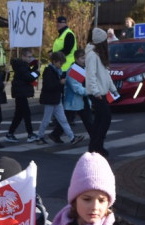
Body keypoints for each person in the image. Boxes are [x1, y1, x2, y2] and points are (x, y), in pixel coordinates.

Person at [36, 51, 81, 145]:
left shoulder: (56, 71)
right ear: (54, 61)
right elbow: (48, 86)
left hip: (56, 98)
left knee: (63, 119)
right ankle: (40, 136)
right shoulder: (49, 71)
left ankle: (72, 137)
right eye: (60, 63)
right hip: (50, 99)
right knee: (47, 119)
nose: (61, 65)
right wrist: (59, 83)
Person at [85, 29, 118, 157]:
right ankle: (96, 146)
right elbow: (91, 75)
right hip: (97, 93)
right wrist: (95, 91)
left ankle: (95, 147)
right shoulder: (92, 55)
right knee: (105, 119)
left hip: (101, 92)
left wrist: (113, 88)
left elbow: (105, 75)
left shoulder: (98, 54)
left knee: (100, 120)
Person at [6, 49, 39, 142]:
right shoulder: (22, 65)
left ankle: (10, 133)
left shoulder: (22, 65)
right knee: (26, 114)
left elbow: (28, 74)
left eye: (31, 57)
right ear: (23, 56)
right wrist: (37, 72)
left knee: (19, 115)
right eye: (28, 57)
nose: (30, 59)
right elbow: (28, 77)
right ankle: (30, 134)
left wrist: (35, 67)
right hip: (21, 92)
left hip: (20, 92)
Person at [64, 49, 94, 137]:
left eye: (85, 58)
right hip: (74, 99)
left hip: (81, 99)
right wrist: (89, 91)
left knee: (87, 118)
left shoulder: (82, 68)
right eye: (82, 58)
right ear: (76, 59)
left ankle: (94, 134)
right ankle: (56, 134)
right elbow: (76, 87)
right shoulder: (73, 70)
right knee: (69, 119)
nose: (84, 60)